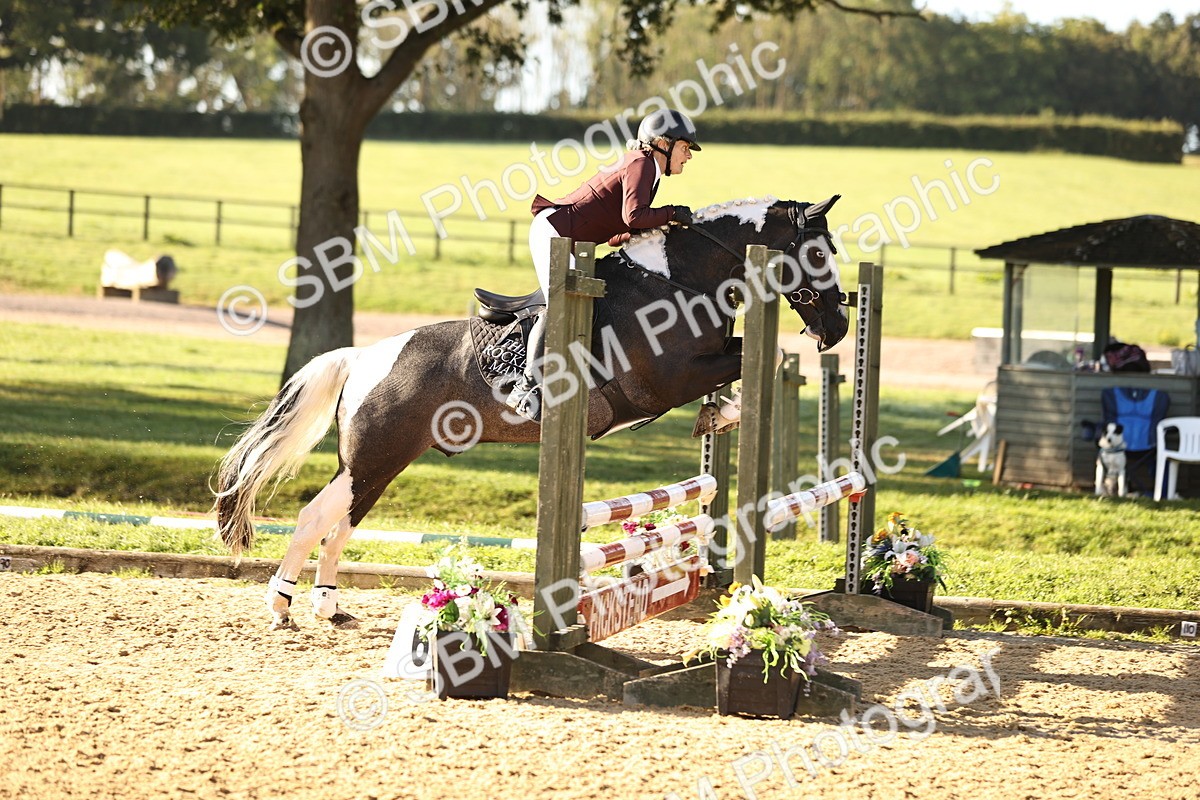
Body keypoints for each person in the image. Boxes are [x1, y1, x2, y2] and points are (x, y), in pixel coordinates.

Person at [506, 108, 701, 421]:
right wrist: (671, 213)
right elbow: (634, 217)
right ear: (663, 143)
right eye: (685, 147)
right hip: (553, 234)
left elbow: (617, 231)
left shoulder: (645, 166)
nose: (688, 156)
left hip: (565, 237)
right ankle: (526, 385)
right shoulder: (642, 163)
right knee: (565, 303)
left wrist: (656, 229)